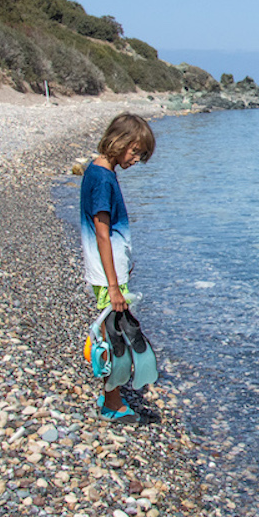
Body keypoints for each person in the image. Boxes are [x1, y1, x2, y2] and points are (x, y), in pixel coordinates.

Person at [81, 112, 155, 422]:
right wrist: (113, 285)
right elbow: (102, 233)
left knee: (114, 332)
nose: (136, 159)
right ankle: (111, 403)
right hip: (106, 274)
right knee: (113, 337)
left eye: (140, 154)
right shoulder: (102, 180)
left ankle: (112, 393)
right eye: (134, 151)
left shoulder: (101, 172)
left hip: (110, 271)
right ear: (118, 141)